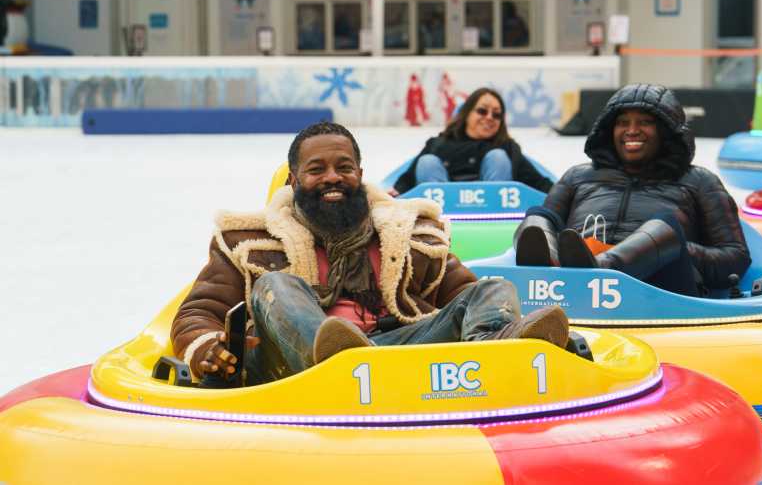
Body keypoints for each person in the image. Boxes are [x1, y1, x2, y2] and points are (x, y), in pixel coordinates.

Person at [171, 122, 569, 385]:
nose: (332, 177)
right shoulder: (251, 242)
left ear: (360, 175)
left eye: (344, 167)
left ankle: (500, 355)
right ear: (294, 180)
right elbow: (196, 312)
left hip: (392, 354)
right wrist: (206, 347)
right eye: (316, 169)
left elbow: (463, 295)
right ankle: (335, 355)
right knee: (276, 284)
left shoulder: (406, 233)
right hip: (295, 368)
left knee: (492, 288)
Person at [514, 83, 751, 297]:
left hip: (661, 292)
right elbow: (542, 232)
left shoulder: (700, 181)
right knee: (538, 216)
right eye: (622, 123)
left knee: (664, 227)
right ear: (609, 130)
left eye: (645, 122)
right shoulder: (577, 177)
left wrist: (669, 249)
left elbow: (736, 257)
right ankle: (549, 271)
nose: (632, 130)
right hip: (572, 288)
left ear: (666, 131)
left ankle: (598, 270)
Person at [392, 87, 554, 195]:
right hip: (443, 218)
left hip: (493, 218)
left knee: (498, 157)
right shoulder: (438, 144)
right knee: (427, 162)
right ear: (467, 113)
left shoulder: (507, 148)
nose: (489, 118)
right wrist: (393, 194)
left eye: (496, 114)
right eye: (482, 111)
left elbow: (538, 182)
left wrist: (565, 193)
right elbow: (407, 180)